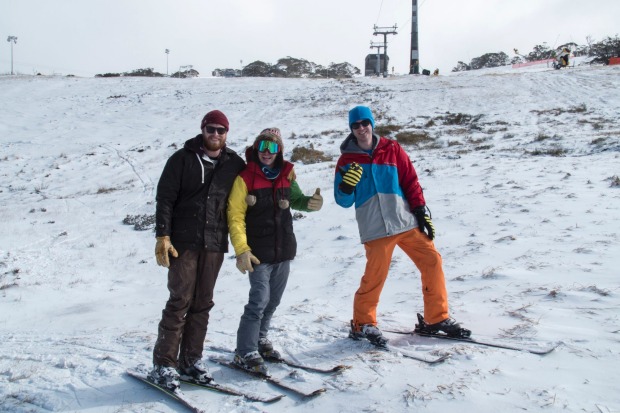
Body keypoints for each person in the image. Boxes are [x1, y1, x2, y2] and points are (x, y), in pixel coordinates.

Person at [333, 105, 470, 348]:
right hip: (375, 228)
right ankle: (362, 324)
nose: (361, 128)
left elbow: (410, 179)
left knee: (432, 260)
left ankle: (436, 319)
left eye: (365, 123)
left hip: (404, 221)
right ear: (351, 129)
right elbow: (342, 201)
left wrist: (419, 211)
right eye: (356, 125)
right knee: (375, 276)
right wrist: (345, 186)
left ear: (372, 124)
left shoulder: (392, 148)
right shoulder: (346, 160)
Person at [150, 110, 245, 390]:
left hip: (215, 243)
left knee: (203, 302)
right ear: (203, 130)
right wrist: (163, 235)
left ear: (227, 134)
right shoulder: (181, 160)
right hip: (184, 243)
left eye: (221, 130)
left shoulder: (234, 164)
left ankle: (191, 361)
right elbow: (165, 198)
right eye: (211, 129)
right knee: (179, 301)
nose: (215, 134)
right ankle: (164, 365)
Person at [227, 127, 323, 373]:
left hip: (283, 250)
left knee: (273, 300)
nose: (266, 152)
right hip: (257, 252)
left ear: (279, 150)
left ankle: (260, 339)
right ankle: (245, 350)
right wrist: (242, 249)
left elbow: (297, 200)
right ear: (256, 148)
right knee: (258, 300)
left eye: (272, 147)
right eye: (262, 146)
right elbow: (235, 215)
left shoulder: (286, 174)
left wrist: (310, 204)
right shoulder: (245, 178)